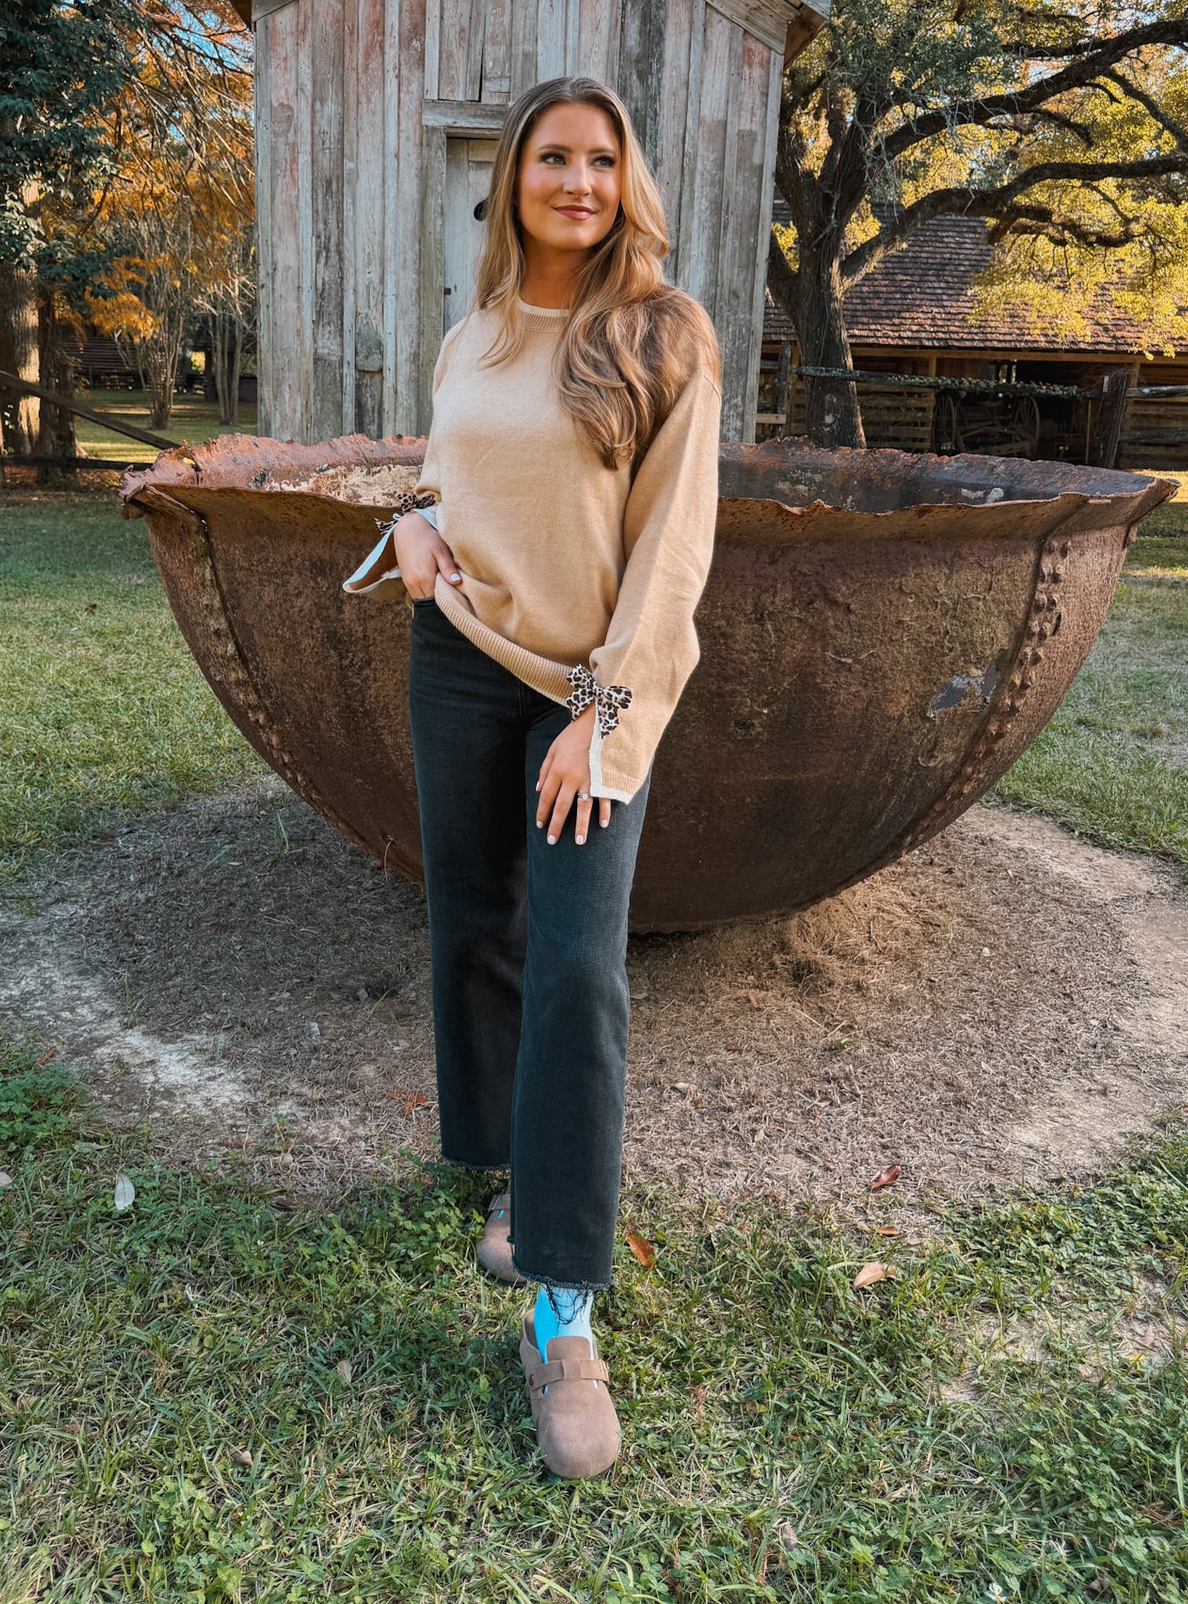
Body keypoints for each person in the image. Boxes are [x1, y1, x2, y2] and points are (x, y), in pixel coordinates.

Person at [343, 74, 722, 1479]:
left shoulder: (663, 334)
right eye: (552, 157)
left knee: (579, 967)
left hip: (584, 690)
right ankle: (510, 1179)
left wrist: (601, 718)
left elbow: (671, 555)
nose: (576, 180)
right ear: (510, 179)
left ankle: (560, 1305)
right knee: (474, 922)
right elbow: (455, 474)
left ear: (629, 181)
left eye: (600, 159)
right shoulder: (476, 335)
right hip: (455, 666)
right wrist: (417, 523)